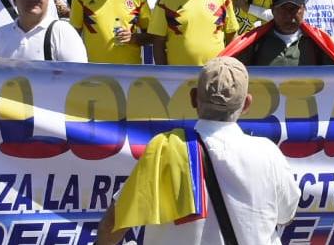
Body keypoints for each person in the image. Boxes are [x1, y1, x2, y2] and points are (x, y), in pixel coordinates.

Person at [95, 58, 300, 244]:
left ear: (193, 98)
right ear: (246, 104)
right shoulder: (268, 154)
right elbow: (286, 215)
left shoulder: (165, 149)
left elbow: (114, 223)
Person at [218, 0, 334, 66]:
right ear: (273, 10)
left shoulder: (318, 43)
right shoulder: (255, 42)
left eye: (294, 9)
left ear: (304, 9)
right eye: (282, 9)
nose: (288, 15)